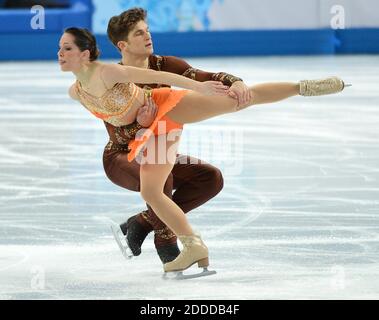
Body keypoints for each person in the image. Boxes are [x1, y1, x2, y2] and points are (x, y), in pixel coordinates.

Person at [58, 27, 347, 273]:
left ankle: (304, 87)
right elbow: (115, 123)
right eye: (60, 48)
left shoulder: (107, 72)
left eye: (67, 48)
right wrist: (141, 128)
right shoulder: (76, 92)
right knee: (152, 192)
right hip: (154, 131)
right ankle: (194, 247)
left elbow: (169, 79)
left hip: (167, 104)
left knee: (241, 100)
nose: (60, 53)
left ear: (85, 54)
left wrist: (200, 88)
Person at [104, 8, 253, 264]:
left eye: (147, 30)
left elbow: (207, 77)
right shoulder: (112, 81)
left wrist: (236, 82)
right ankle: (166, 239)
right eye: (139, 33)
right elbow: (118, 137)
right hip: (121, 157)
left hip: (158, 153)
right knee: (161, 173)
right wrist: (139, 125)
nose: (148, 36)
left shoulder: (164, 65)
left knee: (209, 178)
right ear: (123, 45)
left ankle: (141, 222)